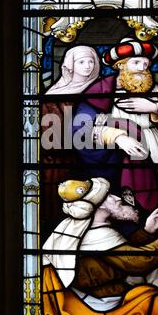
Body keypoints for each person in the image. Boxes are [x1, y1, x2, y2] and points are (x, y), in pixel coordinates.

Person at [42, 177, 158, 315]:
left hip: (107, 299)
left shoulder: (79, 228)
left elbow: (121, 253)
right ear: (99, 206)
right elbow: (138, 262)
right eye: (108, 196)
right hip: (103, 309)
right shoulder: (97, 234)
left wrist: (147, 231)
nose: (117, 198)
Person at [72, 37, 158, 214]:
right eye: (136, 62)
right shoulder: (101, 91)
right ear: (120, 65)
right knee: (123, 200)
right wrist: (118, 137)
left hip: (155, 149)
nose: (143, 67)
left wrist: (154, 108)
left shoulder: (155, 90)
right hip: (116, 155)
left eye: (146, 63)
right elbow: (79, 130)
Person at [41, 45, 101, 226]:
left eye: (91, 61)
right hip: (63, 164)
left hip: (98, 159)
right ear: (70, 65)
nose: (88, 66)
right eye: (82, 61)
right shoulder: (55, 96)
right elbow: (51, 138)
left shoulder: (102, 92)